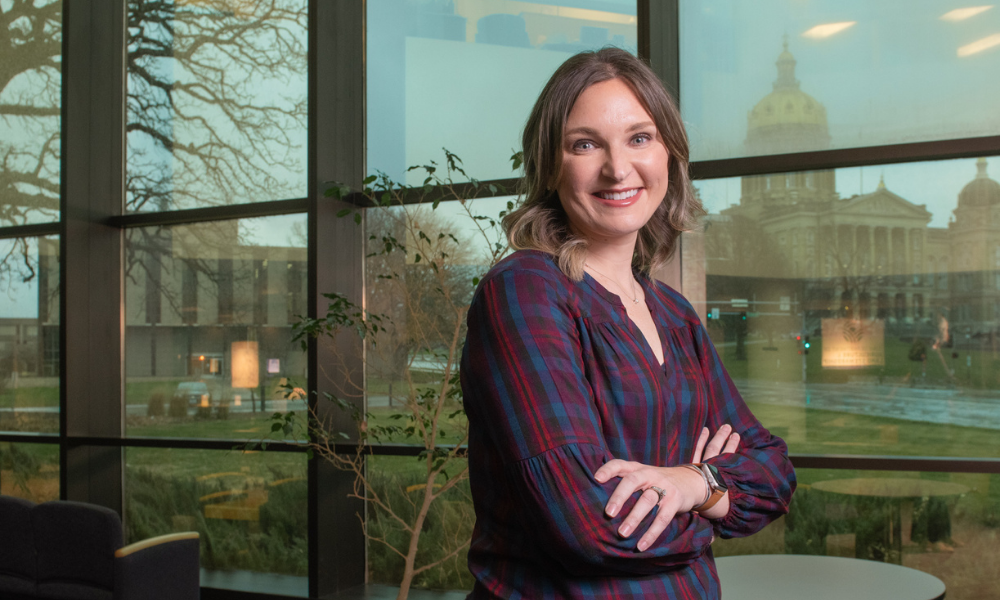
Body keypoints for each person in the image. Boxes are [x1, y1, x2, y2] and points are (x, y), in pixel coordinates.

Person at [460, 47, 796, 599]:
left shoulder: (674, 314)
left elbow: (774, 474)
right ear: (551, 163)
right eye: (585, 144)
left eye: (640, 138)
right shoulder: (523, 292)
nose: (618, 168)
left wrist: (693, 482)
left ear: (669, 154)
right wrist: (715, 510)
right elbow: (587, 525)